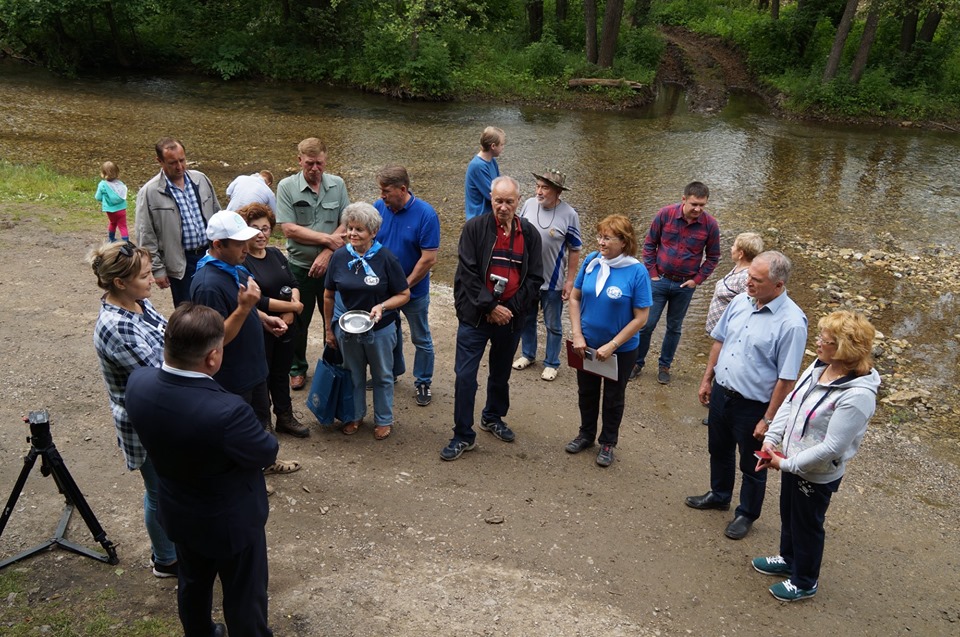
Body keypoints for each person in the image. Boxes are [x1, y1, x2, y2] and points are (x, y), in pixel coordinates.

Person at [126, 304, 278, 637]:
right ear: (212, 358)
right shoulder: (228, 411)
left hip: (179, 511)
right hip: (231, 523)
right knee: (244, 595)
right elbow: (266, 451)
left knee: (192, 584)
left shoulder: (138, 383)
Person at [753, 310, 880, 602]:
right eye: (821, 337)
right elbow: (792, 401)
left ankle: (805, 581)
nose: (818, 343)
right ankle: (788, 559)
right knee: (789, 514)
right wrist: (772, 438)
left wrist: (786, 464)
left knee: (807, 525)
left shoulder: (858, 395)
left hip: (816, 473)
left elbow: (833, 447)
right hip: (792, 463)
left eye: (826, 340)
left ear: (845, 348)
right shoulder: (820, 366)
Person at [686, 251, 807, 540]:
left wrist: (768, 419)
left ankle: (746, 514)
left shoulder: (792, 323)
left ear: (778, 285)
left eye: (756, 279)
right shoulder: (740, 301)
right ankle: (719, 494)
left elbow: (787, 378)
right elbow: (720, 341)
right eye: (749, 276)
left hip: (754, 405)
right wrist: (707, 379)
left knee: (752, 464)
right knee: (719, 449)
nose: (747, 282)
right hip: (722, 393)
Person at [89, 240, 177, 578]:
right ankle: (165, 559)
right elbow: (160, 375)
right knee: (158, 491)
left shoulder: (139, 304)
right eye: (144, 276)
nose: (152, 279)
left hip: (161, 414)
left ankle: (170, 548)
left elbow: (168, 340)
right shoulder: (117, 327)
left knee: (166, 487)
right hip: (146, 423)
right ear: (119, 282)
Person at [190, 210, 300, 478]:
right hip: (233, 377)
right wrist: (245, 309)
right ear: (218, 244)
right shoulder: (208, 285)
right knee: (239, 433)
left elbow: (244, 308)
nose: (246, 248)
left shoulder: (233, 269)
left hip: (253, 368)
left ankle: (265, 463)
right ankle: (247, 479)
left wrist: (263, 318)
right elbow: (215, 341)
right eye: (239, 243)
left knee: (260, 425)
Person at [442, 176, 544, 461]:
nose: (503, 207)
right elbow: (468, 274)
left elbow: (535, 278)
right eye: (498, 201)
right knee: (465, 377)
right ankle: (463, 435)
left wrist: (509, 309)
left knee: (501, 374)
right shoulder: (474, 229)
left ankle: (492, 417)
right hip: (475, 317)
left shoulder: (530, 234)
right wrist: (490, 307)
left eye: (509, 201)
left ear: (518, 201)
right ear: (491, 199)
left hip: (510, 318)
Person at [566, 215, 651, 467]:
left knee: (614, 397)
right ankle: (586, 435)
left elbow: (641, 318)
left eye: (607, 238)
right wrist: (577, 334)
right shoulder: (592, 261)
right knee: (586, 392)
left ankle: (607, 442)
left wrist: (613, 344)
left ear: (624, 242)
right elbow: (574, 298)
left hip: (620, 350)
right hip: (586, 344)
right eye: (600, 236)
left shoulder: (637, 271)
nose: (600, 242)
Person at [323, 203, 410, 440]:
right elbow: (328, 295)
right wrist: (329, 329)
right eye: (350, 228)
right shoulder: (339, 257)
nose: (352, 233)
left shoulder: (386, 258)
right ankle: (355, 415)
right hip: (347, 328)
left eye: (359, 229)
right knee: (353, 374)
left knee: (382, 375)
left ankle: (383, 419)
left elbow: (404, 294)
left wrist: (383, 306)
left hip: (381, 329)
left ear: (373, 232)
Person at [275, 137, 349, 391]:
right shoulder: (286, 187)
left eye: (319, 163)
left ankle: (336, 362)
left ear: (325, 160)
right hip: (300, 267)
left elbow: (346, 222)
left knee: (336, 317)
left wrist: (327, 253)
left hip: (334, 267)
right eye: (309, 163)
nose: (315, 168)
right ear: (299, 161)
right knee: (298, 319)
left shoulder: (338, 185)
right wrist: (328, 240)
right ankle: (297, 368)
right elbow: (289, 229)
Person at [628, 181, 720, 385]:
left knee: (674, 327)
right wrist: (652, 273)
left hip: (684, 286)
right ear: (684, 199)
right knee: (646, 324)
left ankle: (665, 366)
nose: (698, 209)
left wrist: (697, 280)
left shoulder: (710, 225)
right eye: (694, 204)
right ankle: (636, 363)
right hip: (659, 280)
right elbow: (649, 244)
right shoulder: (665, 214)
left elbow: (713, 257)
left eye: (702, 205)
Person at [238, 202, 309, 438]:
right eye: (254, 228)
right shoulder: (243, 262)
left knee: (281, 372)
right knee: (262, 376)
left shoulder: (276, 254)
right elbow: (258, 300)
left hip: (287, 326)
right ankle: (264, 421)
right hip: (261, 327)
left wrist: (291, 311)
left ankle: (284, 417)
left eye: (265, 228)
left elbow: (293, 283)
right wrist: (294, 307)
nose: (261, 234)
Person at [373, 165, 440, 406]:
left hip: (415, 292)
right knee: (387, 333)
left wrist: (405, 286)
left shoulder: (426, 215)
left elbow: (428, 259)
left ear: (402, 189)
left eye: (386, 191)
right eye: (381, 190)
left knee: (421, 338)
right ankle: (391, 373)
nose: (382, 195)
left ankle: (423, 381)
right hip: (385, 290)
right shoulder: (379, 207)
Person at [513, 169, 582, 381]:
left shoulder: (569, 214)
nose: (539, 191)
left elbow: (575, 249)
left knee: (553, 324)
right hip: (528, 278)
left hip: (553, 281)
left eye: (545, 188)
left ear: (557, 192)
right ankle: (528, 354)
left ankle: (552, 363)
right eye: (538, 186)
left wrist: (570, 281)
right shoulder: (529, 205)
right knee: (527, 318)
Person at [135, 137, 221, 307]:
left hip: (210, 254)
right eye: (172, 163)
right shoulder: (150, 192)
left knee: (215, 304)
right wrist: (157, 269)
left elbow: (218, 215)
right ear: (160, 161)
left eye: (182, 160)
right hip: (181, 262)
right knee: (188, 311)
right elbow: (146, 235)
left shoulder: (201, 180)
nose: (179, 166)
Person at [699, 231, 764, 425]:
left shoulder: (746, 277)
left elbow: (751, 304)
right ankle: (715, 404)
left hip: (731, 334)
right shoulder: (737, 268)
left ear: (741, 253)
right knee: (719, 364)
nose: (731, 248)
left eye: (734, 245)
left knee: (724, 366)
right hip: (722, 332)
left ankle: (719, 409)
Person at [464, 126, 505, 220]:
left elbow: (499, 185)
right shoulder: (478, 166)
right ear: (493, 146)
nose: (503, 147)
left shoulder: (492, 161)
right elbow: (493, 194)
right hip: (478, 218)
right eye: (501, 144)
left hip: (488, 216)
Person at [94, 161, 129, 242]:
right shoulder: (120, 184)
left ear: (103, 173)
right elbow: (123, 195)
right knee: (123, 226)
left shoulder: (102, 185)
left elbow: (98, 197)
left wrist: (104, 199)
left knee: (113, 223)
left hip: (110, 210)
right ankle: (126, 243)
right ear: (117, 172)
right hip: (121, 209)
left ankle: (111, 239)